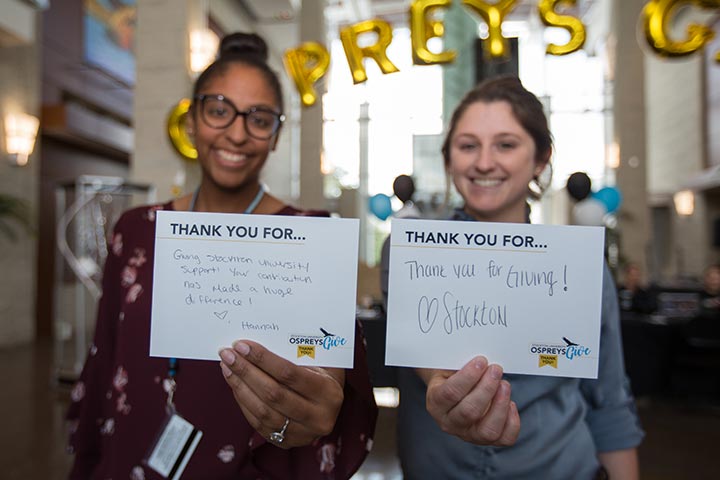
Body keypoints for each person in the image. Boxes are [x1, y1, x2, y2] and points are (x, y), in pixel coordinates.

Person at [66, 32, 377, 479]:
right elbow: (104, 359)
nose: (236, 133)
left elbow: (328, 363)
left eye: (259, 119)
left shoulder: (312, 238)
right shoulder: (136, 230)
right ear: (191, 122)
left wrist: (317, 403)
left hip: (245, 462)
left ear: (275, 136)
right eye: (218, 111)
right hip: (134, 449)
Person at [380, 76, 644, 479]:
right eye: (468, 146)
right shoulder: (409, 253)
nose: (484, 162)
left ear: (541, 159)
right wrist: (442, 387)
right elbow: (426, 359)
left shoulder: (581, 267)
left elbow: (609, 399)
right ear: (449, 160)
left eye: (506, 144)